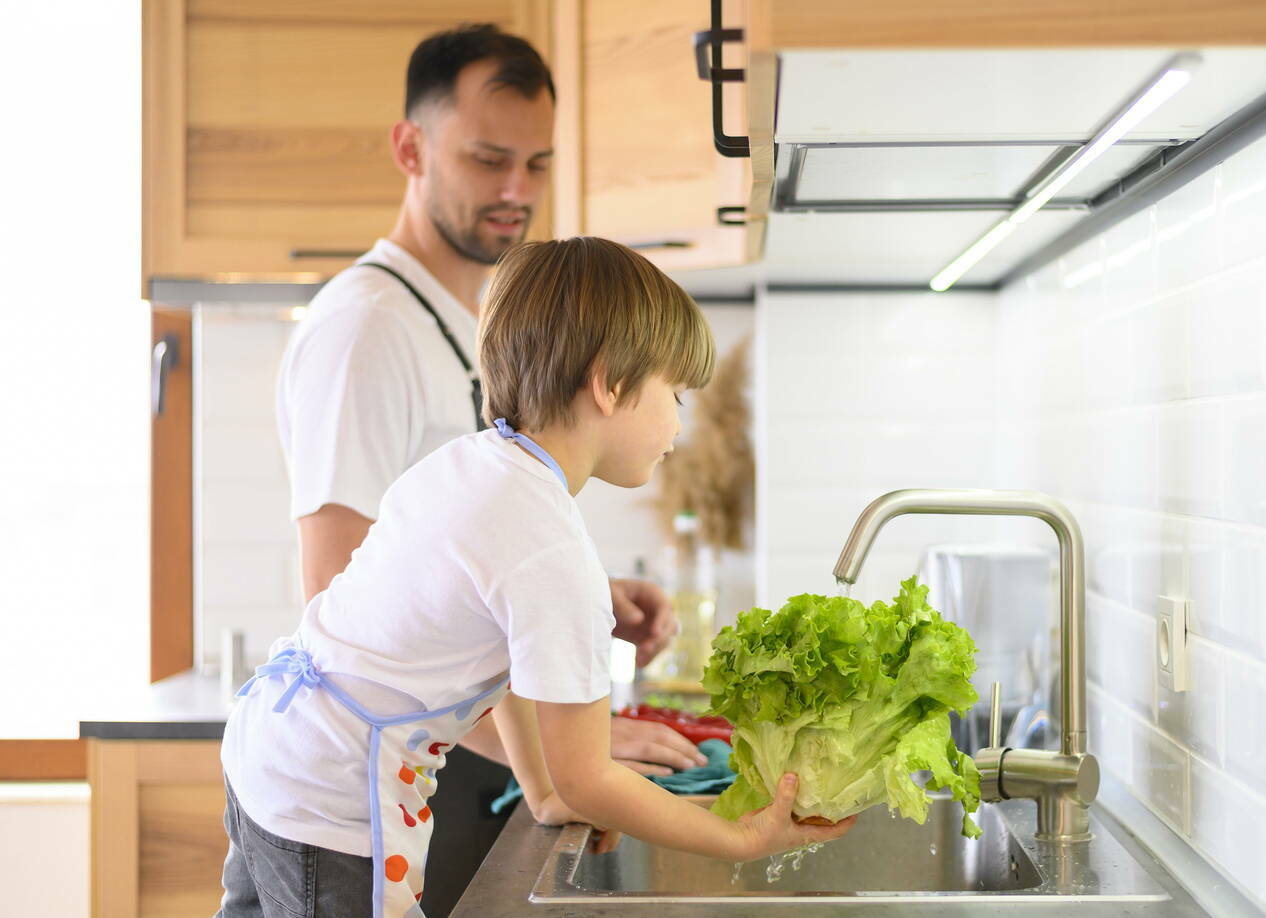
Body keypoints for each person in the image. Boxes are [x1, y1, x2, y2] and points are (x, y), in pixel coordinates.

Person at [220, 237, 855, 918]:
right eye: (673, 392)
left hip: (271, 752)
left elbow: (510, 666)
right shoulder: (552, 546)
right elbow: (590, 779)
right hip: (336, 796)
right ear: (610, 383)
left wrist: (542, 788)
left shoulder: (475, 463)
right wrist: (740, 838)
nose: (679, 422)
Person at [275, 26, 704, 778]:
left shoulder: (463, 316)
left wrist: (582, 595)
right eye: (489, 160)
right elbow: (338, 588)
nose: (517, 192)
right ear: (410, 149)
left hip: (446, 755)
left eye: (537, 164)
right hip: (383, 772)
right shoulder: (368, 328)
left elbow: (440, 563)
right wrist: (565, 757)